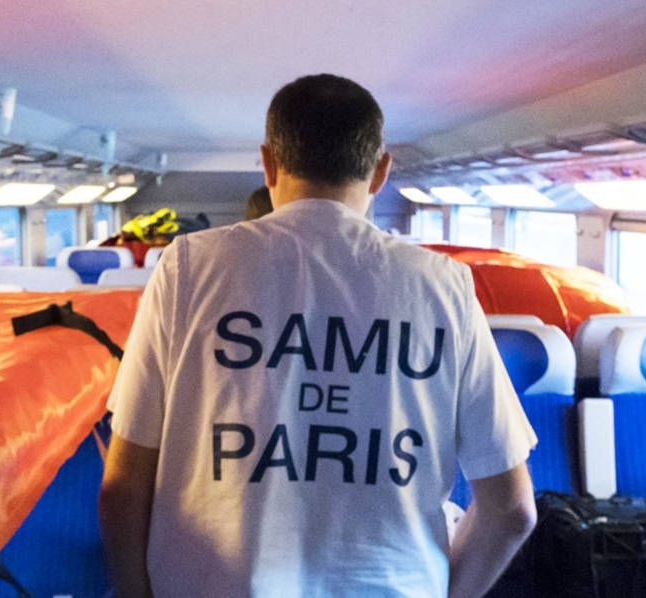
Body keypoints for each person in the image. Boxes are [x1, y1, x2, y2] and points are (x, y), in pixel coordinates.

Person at [99, 73, 537, 598]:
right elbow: (511, 511)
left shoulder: (187, 267)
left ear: (268, 164)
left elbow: (123, 486)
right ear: (380, 172)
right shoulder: (443, 285)